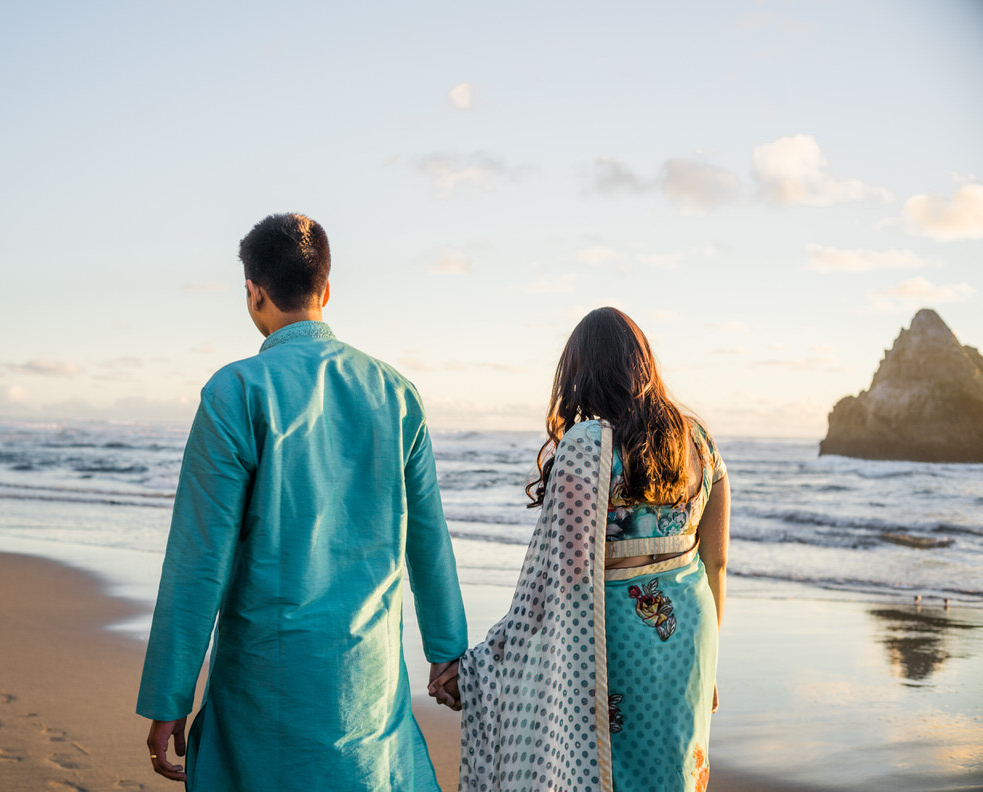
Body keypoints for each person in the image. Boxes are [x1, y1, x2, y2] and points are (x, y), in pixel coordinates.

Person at [136, 213, 468, 791]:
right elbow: (428, 537)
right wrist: (447, 651)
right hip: (365, 676)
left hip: (264, 675)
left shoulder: (234, 391)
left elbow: (198, 558)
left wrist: (170, 693)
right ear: (327, 290)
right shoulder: (394, 391)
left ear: (253, 293)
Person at [439, 307, 730, 792]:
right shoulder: (698, 440)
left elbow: (561, 584)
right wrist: (712, 662)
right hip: (691, 630)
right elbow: (715, 561)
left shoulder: (588, 443)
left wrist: (477, 669)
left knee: (612, 776)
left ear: (582, 373)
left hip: (617, 636)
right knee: (672, 773)